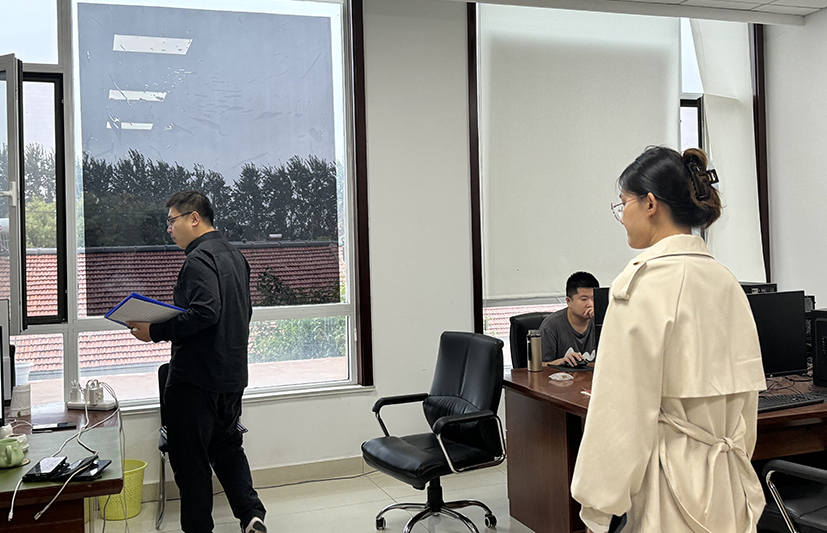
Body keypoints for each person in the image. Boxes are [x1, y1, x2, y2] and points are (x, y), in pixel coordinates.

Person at [570, 147, 766, 533]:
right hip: (730, 486)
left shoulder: (640, 287)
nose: (621, 216)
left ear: (650, 204)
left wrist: (597, 509)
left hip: (670, 489)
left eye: (623, 203)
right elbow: (747, 403)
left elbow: (620, 413)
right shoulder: (727, 282)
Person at [128, 191, 267, 533]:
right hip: (231, 375)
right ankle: (251, 516)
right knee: (228, 447)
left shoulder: (198, 259)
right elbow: (243, 312)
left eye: (171, 221)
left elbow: (206, 311)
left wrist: (155, 330)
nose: (169, 229)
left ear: (194, 218)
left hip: (195, 380)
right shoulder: (234, 255)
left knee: (191, 464)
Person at [539, 271, 600, 367]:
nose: (590, 304)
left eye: (593, 298)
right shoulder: (551, 326)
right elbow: (538, 366)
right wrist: (561, 362)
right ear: (569, 301)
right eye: (584, 299)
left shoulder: (602, 323)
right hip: (561, 377)